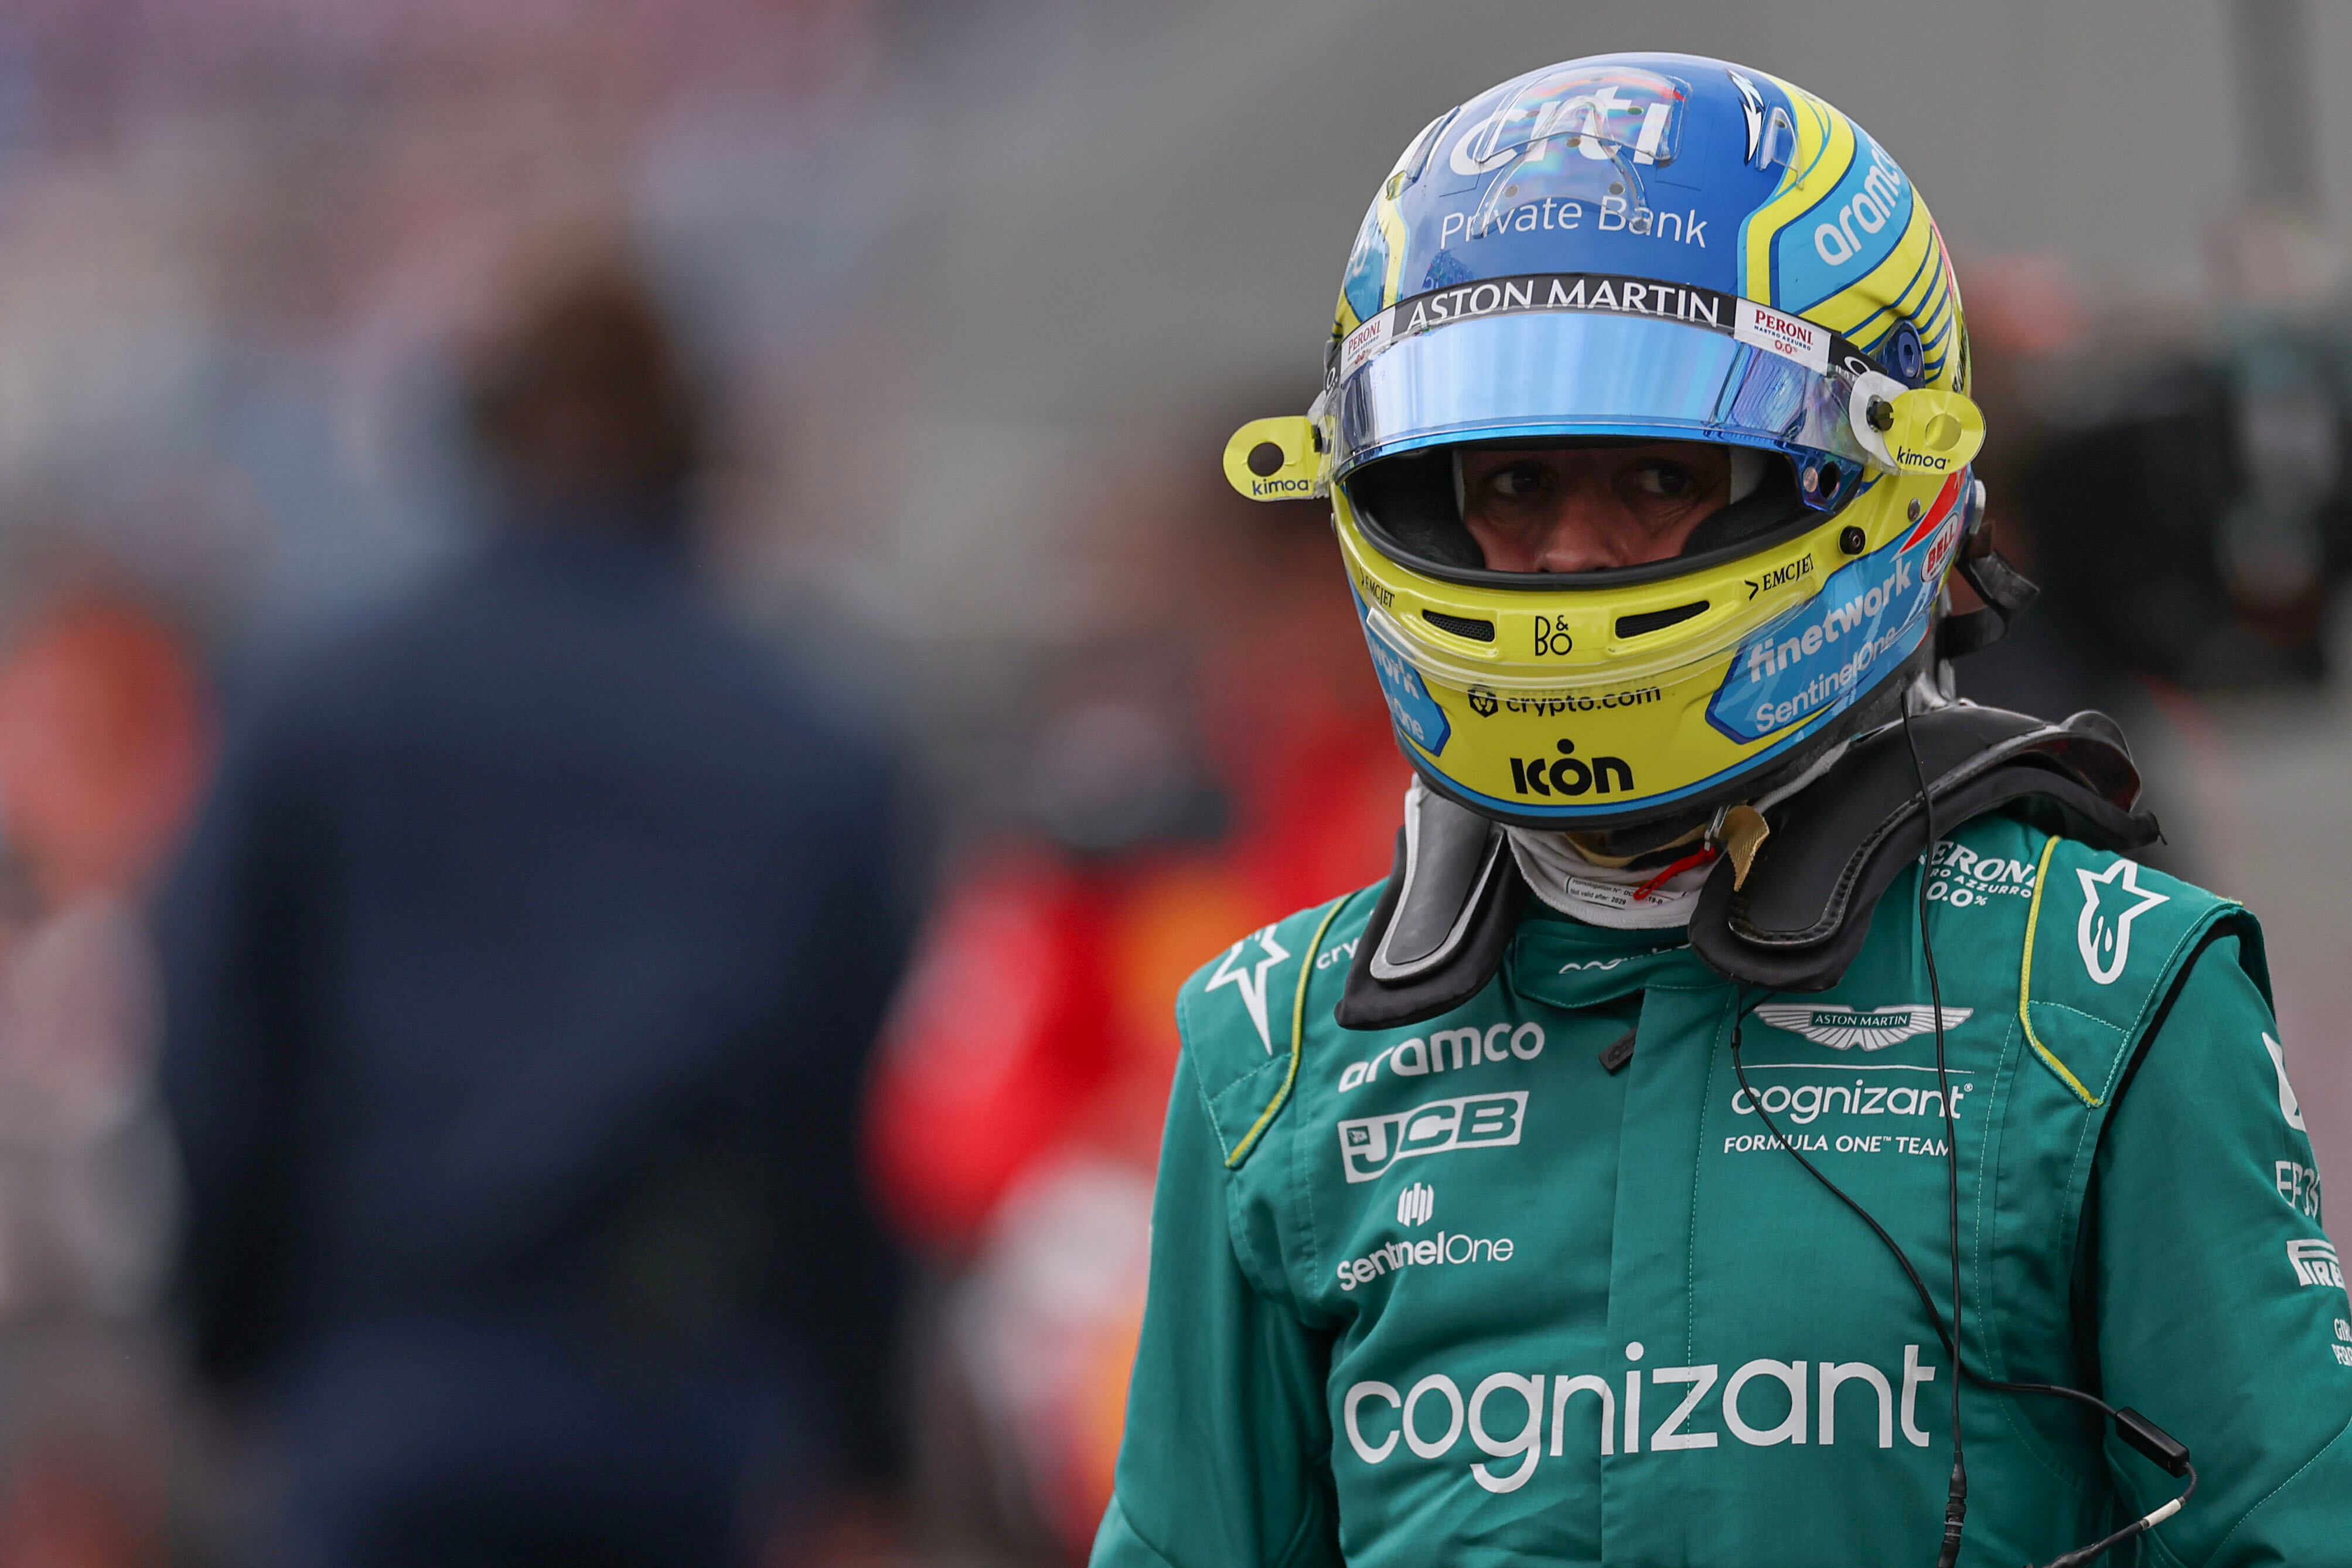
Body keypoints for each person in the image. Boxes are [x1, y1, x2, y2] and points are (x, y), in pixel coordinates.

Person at [1093, 54, 2350, 1568]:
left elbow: (2281, 1531)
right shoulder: (1272, 1037)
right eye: (1503, 484)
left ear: (1878, 472)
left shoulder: (2103, 983)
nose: (1565, 556)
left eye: (1652, 476)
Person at [158, 261, 916, 1566]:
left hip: (380, 1387)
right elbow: (859, 1123)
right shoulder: (813, 741)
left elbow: (214, 1048)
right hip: (693, 1411)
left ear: (478, 434)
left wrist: (227, 1348)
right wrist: (862, 1444)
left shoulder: (316, 702)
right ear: (693, 448)